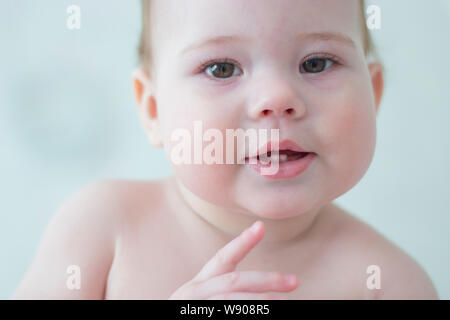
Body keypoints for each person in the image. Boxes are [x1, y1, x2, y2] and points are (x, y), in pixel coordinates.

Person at [12, 0, 438, 299]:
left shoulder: (388, 284)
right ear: (154, 109)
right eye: (222, 68)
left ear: (374, 94)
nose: (276, 97)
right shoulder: (103, 229)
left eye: (316, 63)